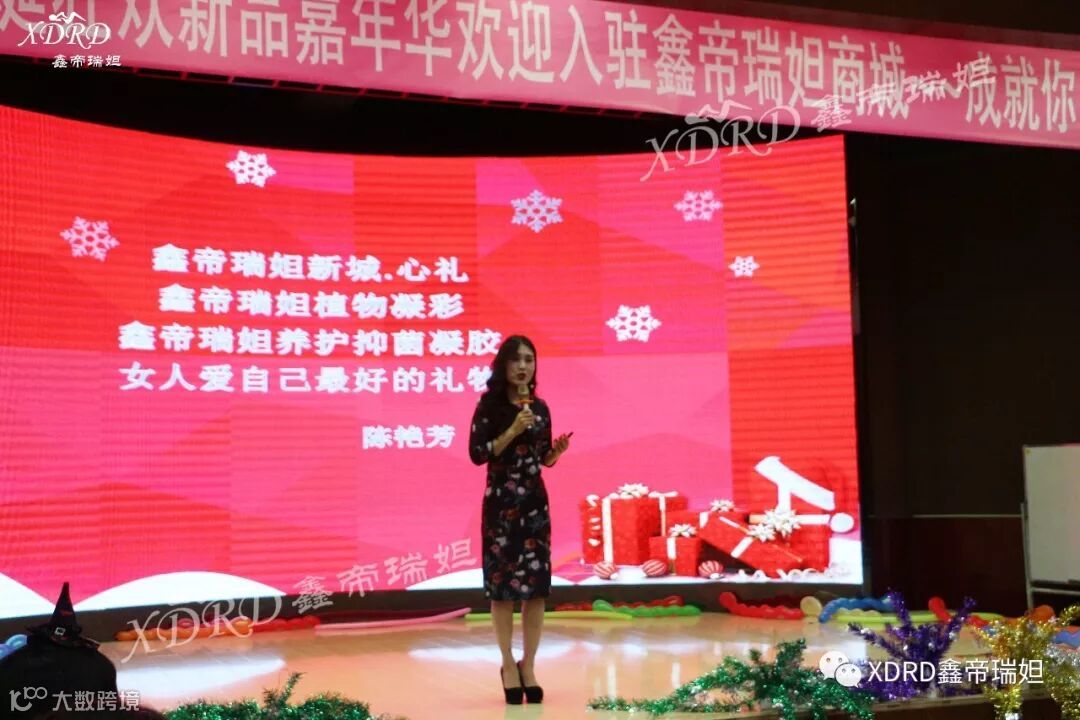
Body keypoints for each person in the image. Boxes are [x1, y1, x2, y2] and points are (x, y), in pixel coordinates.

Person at [468, 335, 570, 705]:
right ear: (504, 365)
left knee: (536, 589)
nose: (523, 366)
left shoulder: (540, 408)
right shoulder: (489, 407)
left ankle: (530, 665)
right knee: (503, 589)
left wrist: (555, 454)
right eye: (516, 359)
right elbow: (477, 454)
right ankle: (508, 663)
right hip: (501, 508)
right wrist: (512, 429)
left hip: (534, 507)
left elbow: (541, 458)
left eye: (529, 359)